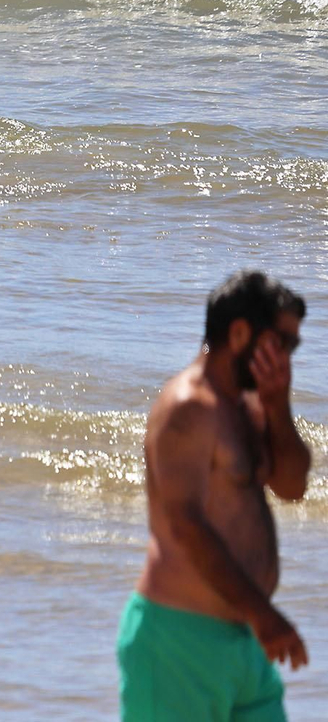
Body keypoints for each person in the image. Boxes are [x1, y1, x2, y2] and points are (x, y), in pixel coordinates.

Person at [119, 271, 312, 721]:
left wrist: (279, 404)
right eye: (282, 342)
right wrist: (264, 615)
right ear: (240, 333)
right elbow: (186, 526)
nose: (288, 356)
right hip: (177, 642)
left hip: (244, 642)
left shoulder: (251, 404)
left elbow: (292, 486)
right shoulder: (188, 407)